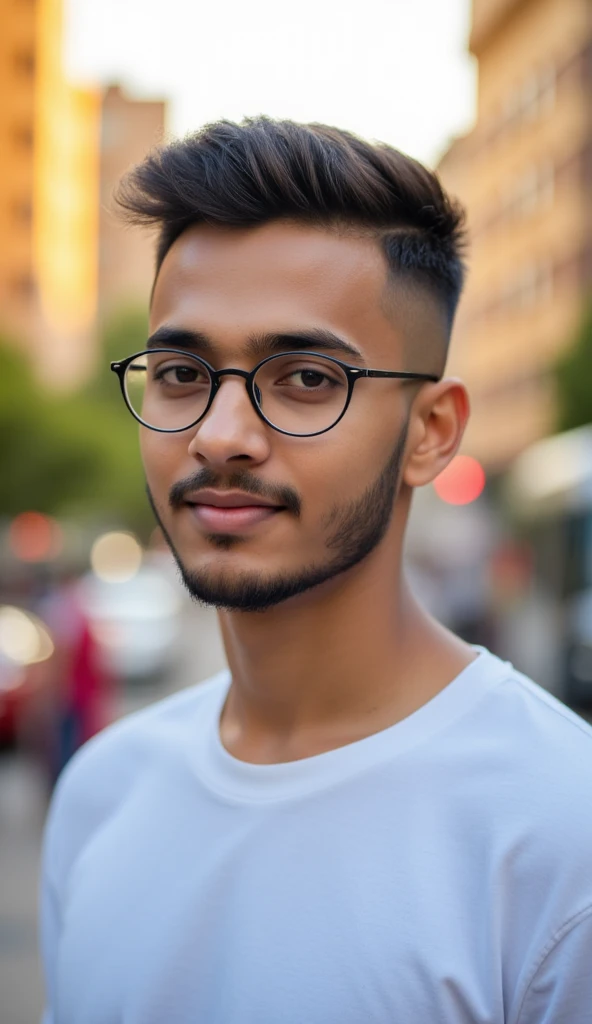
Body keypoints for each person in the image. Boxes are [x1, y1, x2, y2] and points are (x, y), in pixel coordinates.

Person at [39, 118, 592, 1024]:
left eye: (304, 378)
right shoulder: (103, 795)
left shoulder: (560, 839)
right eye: (180, 371)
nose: (219, 435)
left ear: (431, 433)